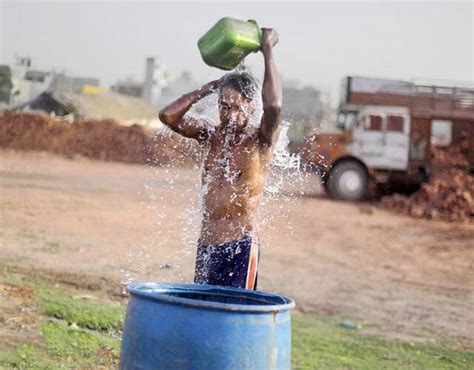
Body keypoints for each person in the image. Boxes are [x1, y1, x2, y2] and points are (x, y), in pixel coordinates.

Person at [159, 28, 281, 290]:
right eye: (224, 106)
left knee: (234, 314)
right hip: (207, 245)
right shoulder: (210, 134)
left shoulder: (260, 141)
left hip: (240, 246)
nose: (231, 114)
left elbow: (274, 106)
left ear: (251, 105)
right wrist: (206, 90)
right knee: (204, 309)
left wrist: (268, 51)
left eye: (238, 107)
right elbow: (168, 117)